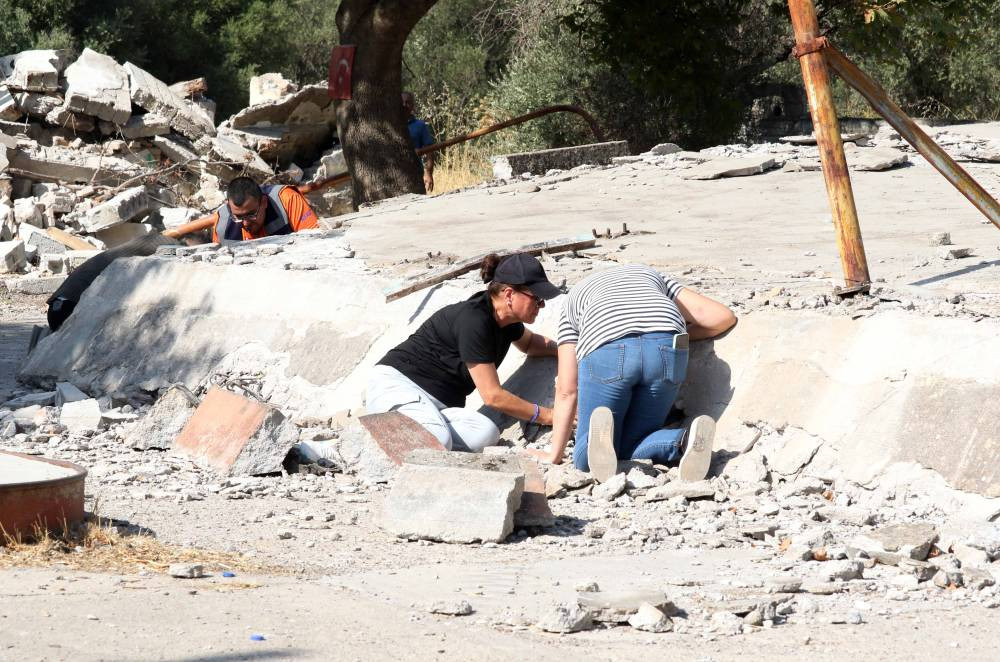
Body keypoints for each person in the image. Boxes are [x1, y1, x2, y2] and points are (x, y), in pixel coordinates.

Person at [527, 264, 737, 482]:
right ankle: (684, 441)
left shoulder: (574, 298)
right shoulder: (649, 274)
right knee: (637, 440)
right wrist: (666, 338)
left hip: (607, 347)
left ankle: (603, 438)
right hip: (666, 347)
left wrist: (554, 455)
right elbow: (721, 317)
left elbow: (567, 389)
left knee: (585, 458)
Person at [366, 253, 561, 452]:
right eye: (537, 298)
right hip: (400, 386)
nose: (542, 304)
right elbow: (493, 396)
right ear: (509, 294)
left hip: (439, 407)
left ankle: (417, 433)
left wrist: (565, 351)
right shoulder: (474, 320)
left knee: (485, 434)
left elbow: (530, 343)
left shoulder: (506, 321)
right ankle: (378, 434)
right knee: (438, 441)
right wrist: (547, 415)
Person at [210, 176, 318, 243]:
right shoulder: (222, 226)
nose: (245, 223)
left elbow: (313, 240)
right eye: (238, 217)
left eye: (251, 214)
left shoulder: (286, 199)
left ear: (264, 202)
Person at [402, 92, 435, 193]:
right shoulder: (390, 126)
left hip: (415, 175)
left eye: (407, 102)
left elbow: (430, 151)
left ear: (412, 105)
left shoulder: (420, 125)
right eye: (402, 102)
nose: (404, 105)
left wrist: (428, 173)